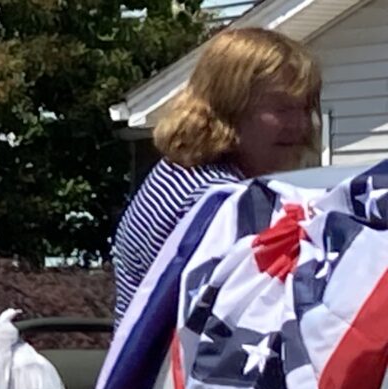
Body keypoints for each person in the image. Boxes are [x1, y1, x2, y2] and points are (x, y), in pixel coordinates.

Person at [111, 28, 321, 324]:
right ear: (229, 107)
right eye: (282, 108)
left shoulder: (179, 172)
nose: (299, 124)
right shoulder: (221, 202)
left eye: (305, 107)